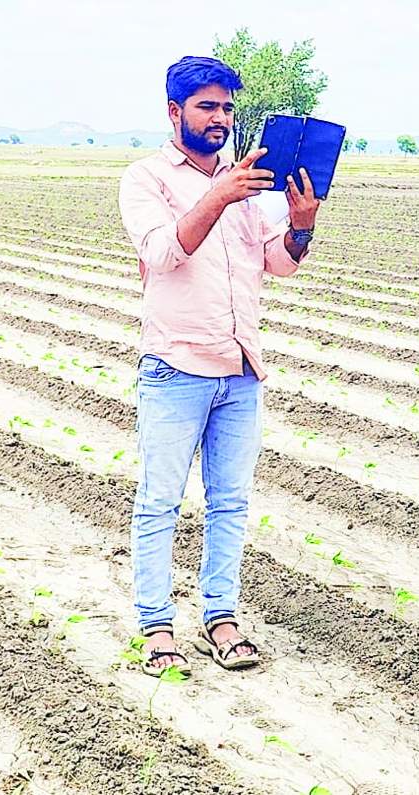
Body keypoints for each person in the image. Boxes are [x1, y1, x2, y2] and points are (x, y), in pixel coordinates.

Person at [117, 56, 321, 677]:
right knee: (160, 502)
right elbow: (164, 252)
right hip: (176, 367)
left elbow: (277, 264)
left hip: (240, 368)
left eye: (228, 108)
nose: (221, 119)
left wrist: (302, 230)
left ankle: (221, 616)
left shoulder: (249, 186)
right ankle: (155, 625)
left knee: (229, 502)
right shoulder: (146, 179)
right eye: (208, 107)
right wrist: (219, 193)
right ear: (175, 112)